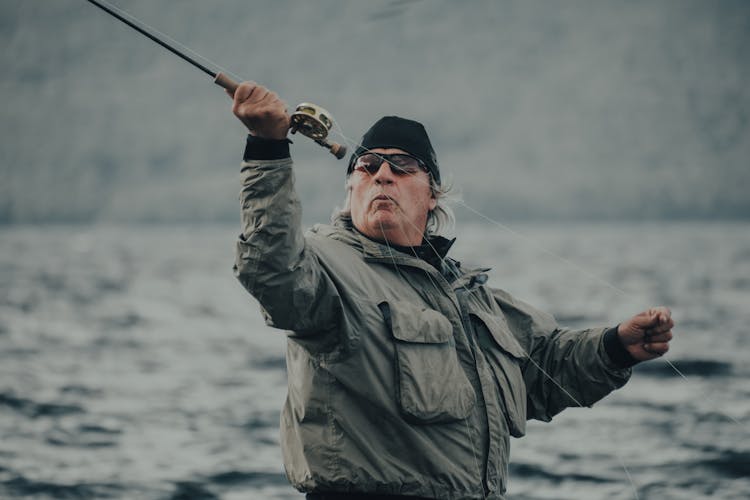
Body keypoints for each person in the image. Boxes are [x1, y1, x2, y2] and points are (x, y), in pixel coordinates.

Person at [228, 82, 675, 500]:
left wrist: (617, 346)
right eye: (367, 166)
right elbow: (273, 271)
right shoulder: (325, 266)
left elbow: (547, 369)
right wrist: (268, 150)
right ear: (350, 189)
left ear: (433, 195)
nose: (382, 174)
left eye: (402, 166)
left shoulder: (474, 297)